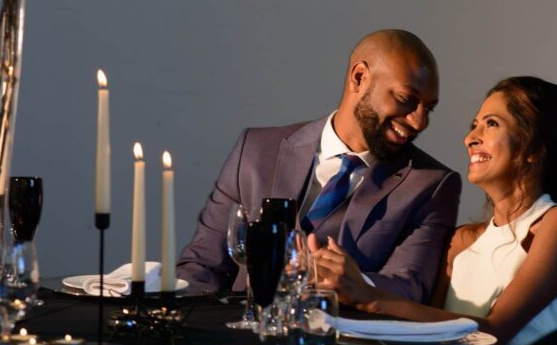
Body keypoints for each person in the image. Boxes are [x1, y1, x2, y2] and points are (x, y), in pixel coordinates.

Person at [311, 76, 557, 345]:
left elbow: (493, 334)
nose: (470, 138)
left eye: (491, 124)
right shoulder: (462, 242)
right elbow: (428, 331)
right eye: (474, 125)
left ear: (534, 150)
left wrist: (371, 297)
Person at [176, 29, 461, 302]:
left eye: (429, 108)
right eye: (406, 100)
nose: (419, 122)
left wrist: (359, 285)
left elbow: (411, 287)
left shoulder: (432, 184)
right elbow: (203, 265)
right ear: (359, 78)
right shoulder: (255, 150)